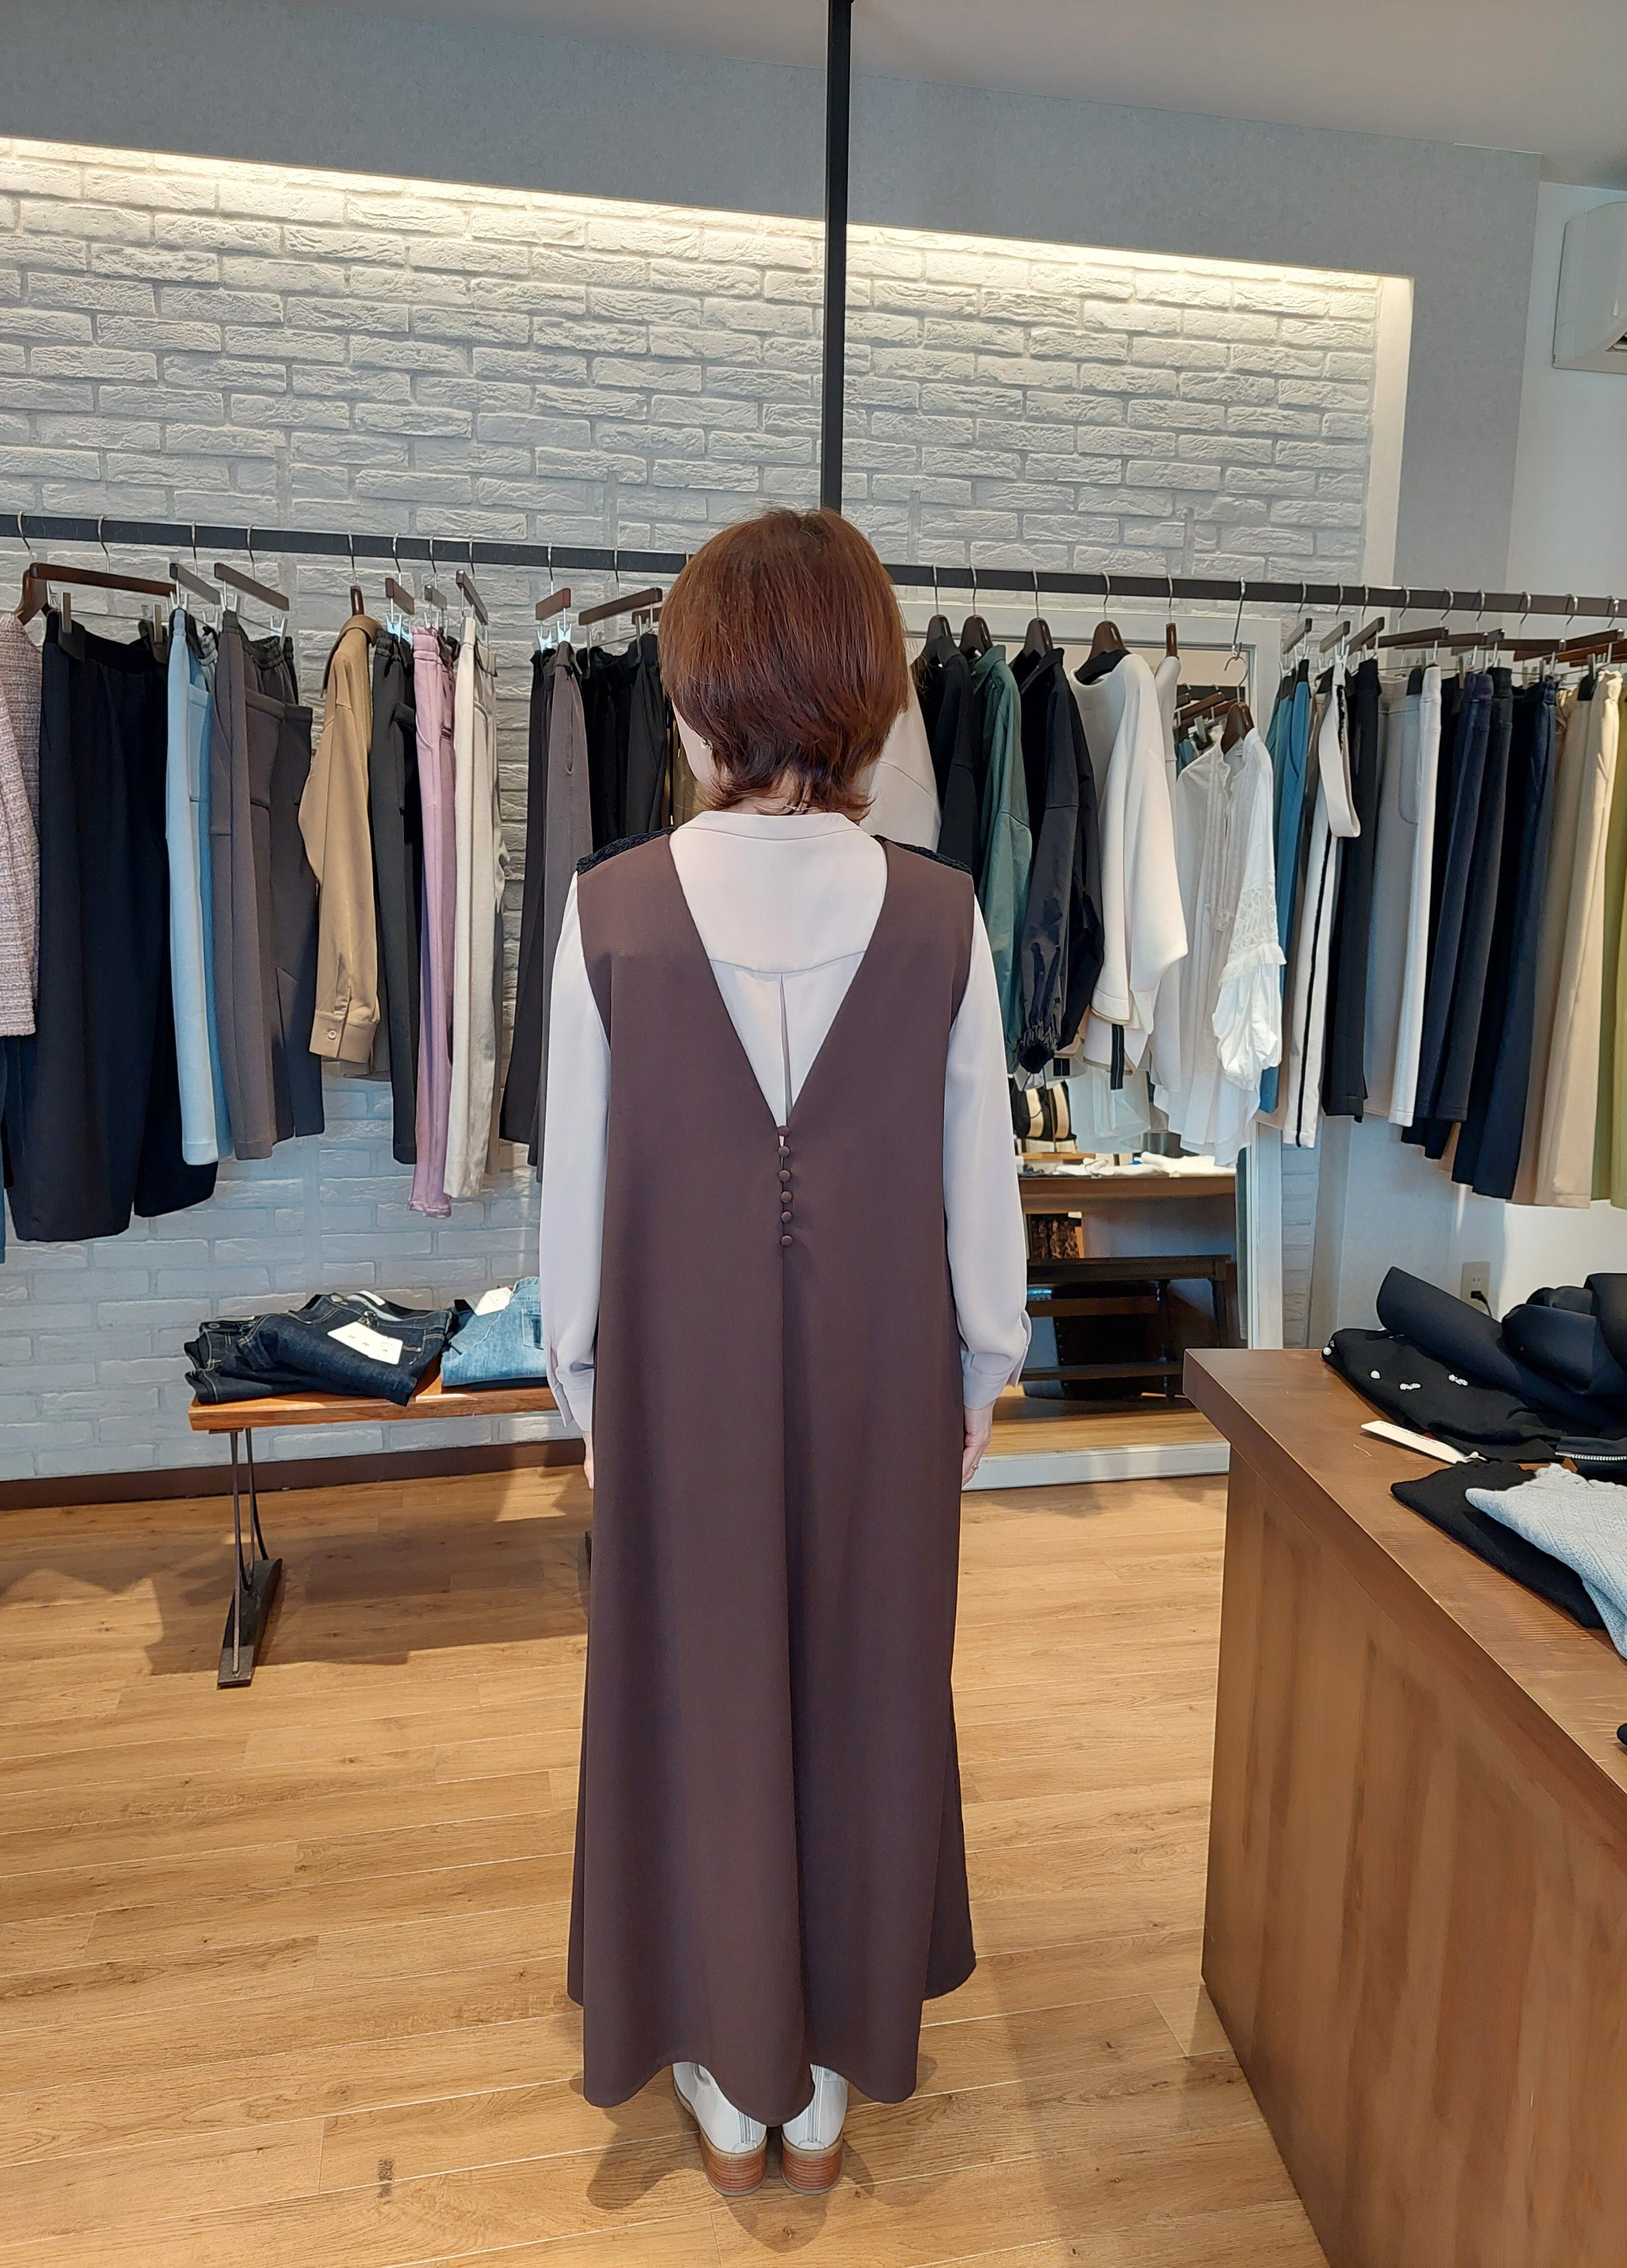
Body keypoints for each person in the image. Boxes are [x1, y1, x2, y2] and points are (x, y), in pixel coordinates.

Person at [539, 507, 1030, 2195]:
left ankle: (724, 2065)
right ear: (869, 698)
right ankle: (821, 2081)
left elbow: (578, 1200)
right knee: (870, 1690)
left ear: (695, 699)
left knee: (694, 1699)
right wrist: (983, 1370)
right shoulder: (941, 916)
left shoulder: (610, 913)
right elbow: (980, 1181)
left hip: (671, 1384)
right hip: (891, 1376)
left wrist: (585, 1388)